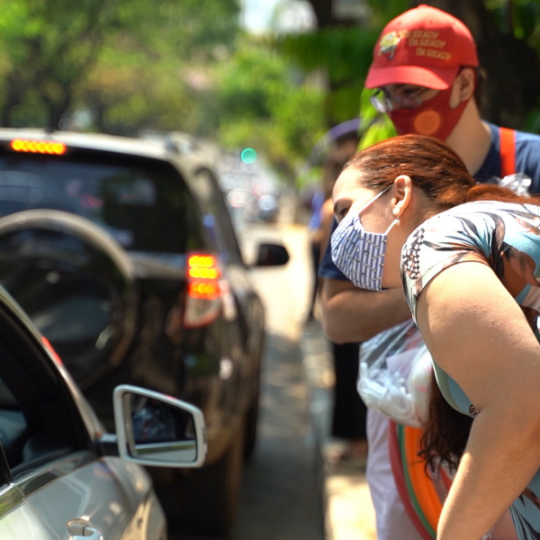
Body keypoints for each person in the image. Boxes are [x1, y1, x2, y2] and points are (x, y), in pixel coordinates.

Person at [318, 4, 540, 538]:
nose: (398, 108)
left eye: (413, 91)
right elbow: (336, 316)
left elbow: (521, 407)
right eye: (388, 94)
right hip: (422, 426)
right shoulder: (420, 216)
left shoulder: (436, 242)